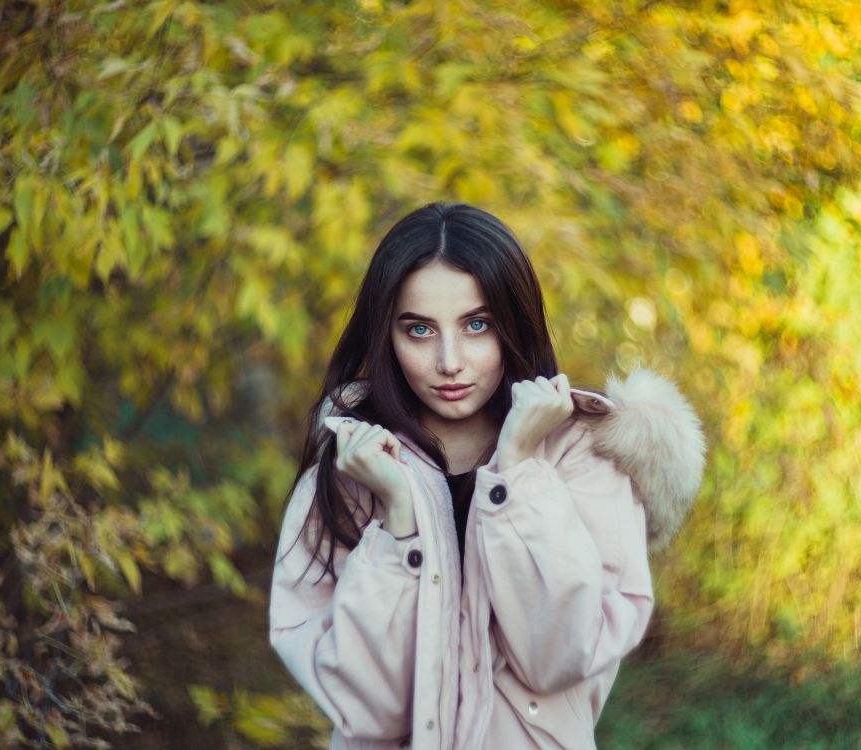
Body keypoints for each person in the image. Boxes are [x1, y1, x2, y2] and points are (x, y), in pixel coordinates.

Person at [269, 202, 705, 749]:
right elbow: (369, 711)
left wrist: (519, 469)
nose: (450, 361)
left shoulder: (584, 461)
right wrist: (399, 520)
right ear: (387, 336)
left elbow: (556, 659)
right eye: (419, 330)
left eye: (477, 325)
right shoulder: (351, 471)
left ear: (513, 324)